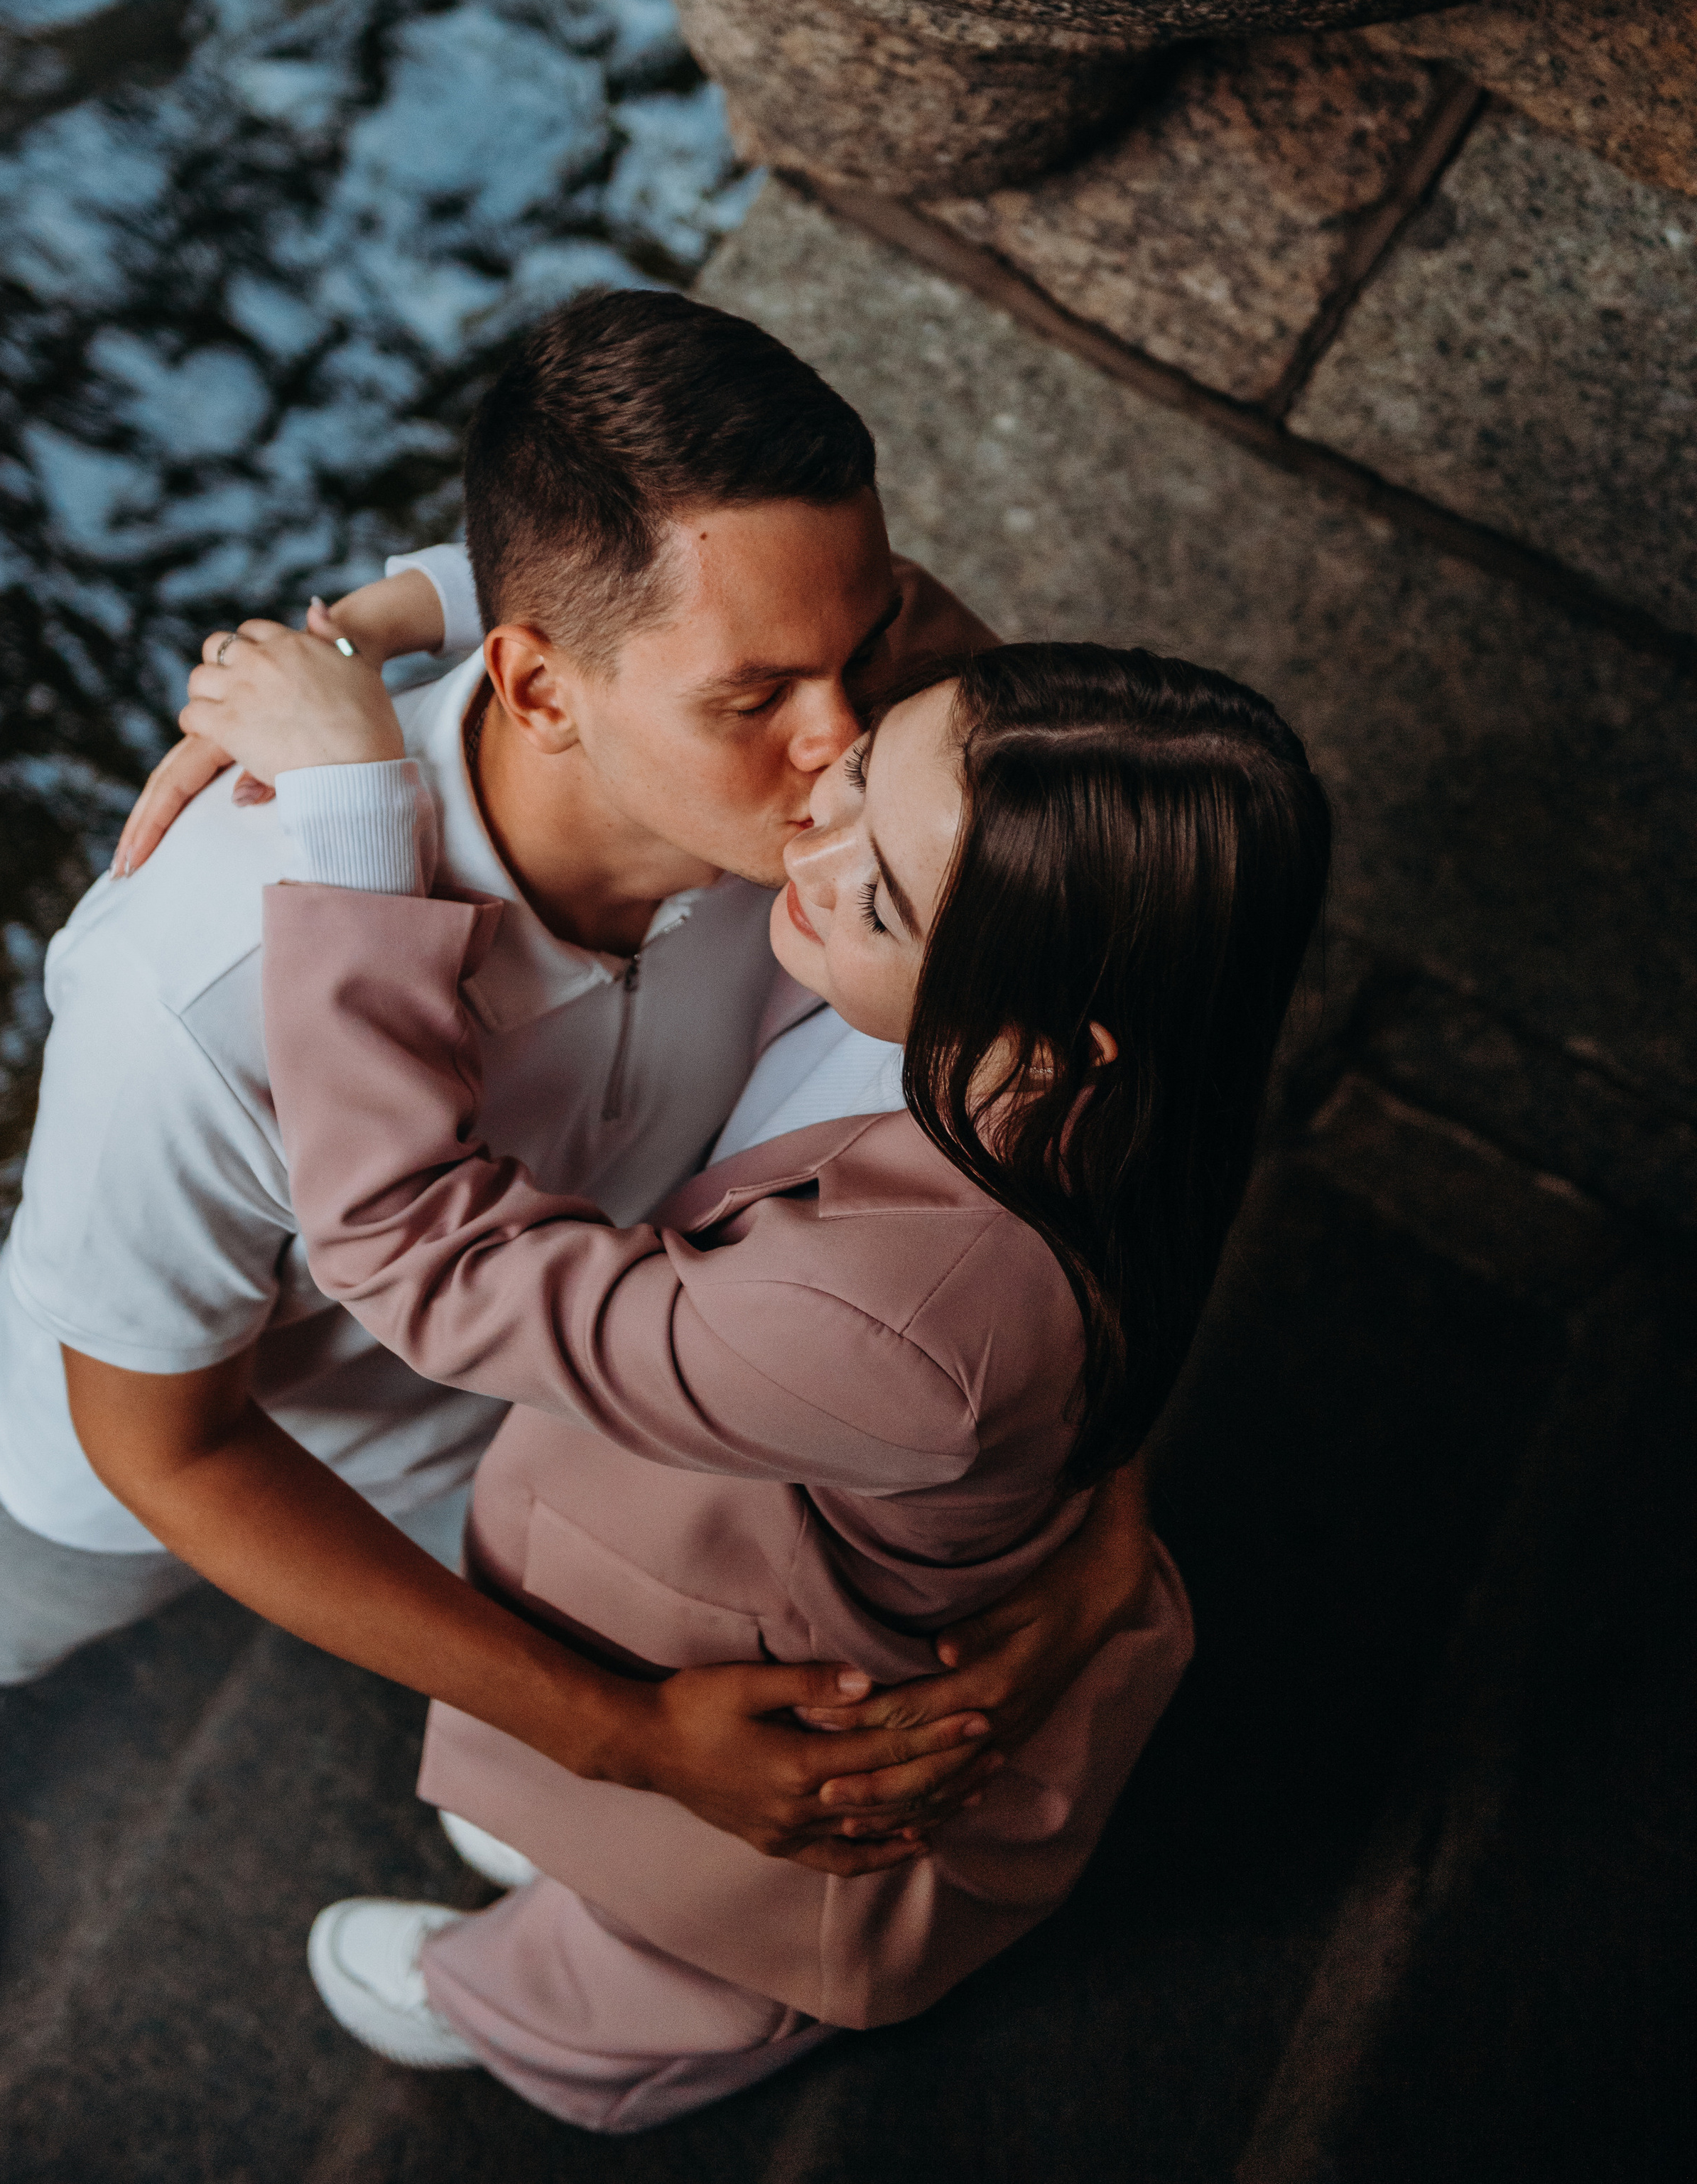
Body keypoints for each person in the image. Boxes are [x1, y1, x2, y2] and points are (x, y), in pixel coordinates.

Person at [0, 293, 1151, 2057]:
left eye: (855, 652)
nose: (848, 747)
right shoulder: (195, 996)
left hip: (564, 1399)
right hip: (206, 1440)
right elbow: (164, 1442)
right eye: (755, 699)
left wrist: (396, 600)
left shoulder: (824, 793)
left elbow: (809, 626)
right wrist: (618, 1742)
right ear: (538, 686)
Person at [183, 623, 1333, 2133]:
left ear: (1061, 1031)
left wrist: (349, 811)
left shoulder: (903, 1317)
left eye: (880, 889)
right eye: (855, 770)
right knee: (621, 1822)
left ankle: (544, 2023)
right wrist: (399, 607)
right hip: (782, 1513)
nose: (808, 830)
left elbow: (416, 1255)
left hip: (816, 1680)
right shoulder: (1142, 1053)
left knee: (709, 1926)